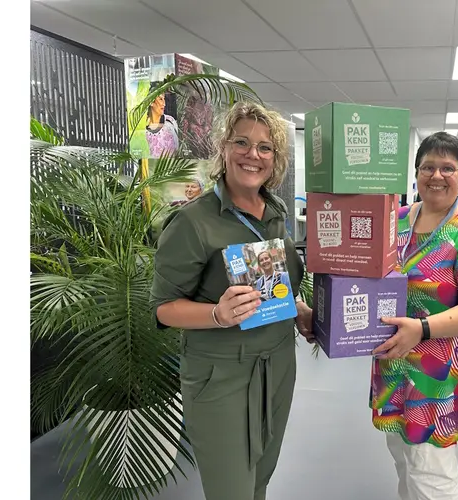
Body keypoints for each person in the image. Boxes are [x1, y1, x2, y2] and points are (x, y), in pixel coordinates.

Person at [150, 101, 314, 500]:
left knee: (259, 478)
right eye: (241, 142)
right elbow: (164, 307)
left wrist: (301, 311)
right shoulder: (193, 222)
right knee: (231, 489)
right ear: (223, 148)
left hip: (276, 366)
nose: (252, 155)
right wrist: (218, 314)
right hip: (220, 375)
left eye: (265, 147)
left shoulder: (274, 212)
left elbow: (277, 286)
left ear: (275, 159)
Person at [370, 132, 458, 500]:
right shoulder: (395, 220)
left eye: (448, 168)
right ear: (416, 172)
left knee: (431, 472)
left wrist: (424, 328)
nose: (437, 175)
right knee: (402, 457)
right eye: (428, 166)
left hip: (439, 370)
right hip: (395, 361)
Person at [146, 82, 179, 157]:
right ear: (151, 102)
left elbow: (178, 148)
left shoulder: (170, 121)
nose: (164, 104)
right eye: (160, 99)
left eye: (164, 99)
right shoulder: (143, 129)